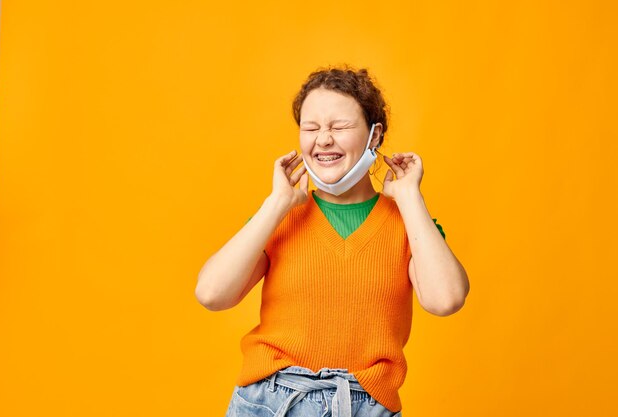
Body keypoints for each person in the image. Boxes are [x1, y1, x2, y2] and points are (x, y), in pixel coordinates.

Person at [196, 65, 470, 417]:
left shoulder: (409, 224)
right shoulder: (280, 218)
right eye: (311, 128)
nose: (323, 139)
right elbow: (211, 294)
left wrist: (409, 198)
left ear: (374, 136)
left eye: (339, 127)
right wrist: (277, 202)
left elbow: (446, 299)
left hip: (366, 406)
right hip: (270, 402)